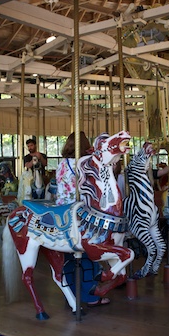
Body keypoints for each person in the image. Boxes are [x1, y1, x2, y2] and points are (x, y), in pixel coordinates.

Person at [57, 131, 110, 308]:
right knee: (89, 253)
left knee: (68, 258)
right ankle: (89, 295)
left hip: (62, 214)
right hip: (79, 213)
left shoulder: (61, 164)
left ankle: (71, 293)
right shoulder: (84, 164)